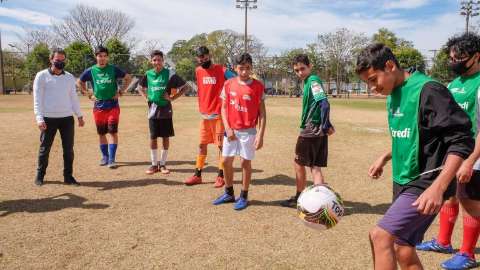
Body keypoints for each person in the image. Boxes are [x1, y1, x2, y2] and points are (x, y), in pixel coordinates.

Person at [356, 43, 474, 270]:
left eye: (373, 80)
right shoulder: (393, 93)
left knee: (380, 237)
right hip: (403, 179)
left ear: (389, 66)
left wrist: (439, 187)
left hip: (426, 181)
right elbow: (412, 135)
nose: (372, 88)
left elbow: (461, 139)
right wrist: (386, 156)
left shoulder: (429, 90)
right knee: (402, 247)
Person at [416, 32, 480, 270]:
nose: (454, 61)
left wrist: (471, 159)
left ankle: (467, 254)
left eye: (459, 57)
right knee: (449, 195)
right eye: (451, 57)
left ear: (476, 57)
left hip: (474, 154)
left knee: (470, 201)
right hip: (454, 152)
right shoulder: (454, 84)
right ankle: (443, 242)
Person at [212, 53, 266, 211]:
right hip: (231, 131)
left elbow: (262, 114)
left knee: (245, 163)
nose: (244, 72)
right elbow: (223, 108)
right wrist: (227, 128)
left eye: (247, 68)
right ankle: (228, 193)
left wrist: (260, 135)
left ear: (251, 68)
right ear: (235, 68)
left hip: (248, 132)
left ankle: (243, 195)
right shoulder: (228, 84)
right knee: (226, 161)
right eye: (241, 68)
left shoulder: (257, 86)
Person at [280, 54, 334, 208]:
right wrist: (326, 125)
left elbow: (324, 104)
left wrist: (325, 124)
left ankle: (299, 197)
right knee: (315, 166)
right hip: (318, 130)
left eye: (302, 68)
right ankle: (322, 203)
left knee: (298, 163)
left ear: (310, 66)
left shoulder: (312, 81)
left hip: (310, 130)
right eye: (296, 70)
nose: (300, 73)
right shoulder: (309, 81)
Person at [184, 46, 236, 187]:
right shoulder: (198, 71)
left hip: (219, 115)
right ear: (197, 58)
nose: (203, 60)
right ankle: (197, 175)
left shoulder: (222, 70)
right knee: (202, 145)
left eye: (205, 57)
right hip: (205, 116)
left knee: (221, 147)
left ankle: (221, 176)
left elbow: (236, 79)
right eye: (201, 58)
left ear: (209, 55)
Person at [33, 48, 84, 186]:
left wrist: (79, 115)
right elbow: (37, 99)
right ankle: (40, 175)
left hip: (67, 119)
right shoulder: (41, 76)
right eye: (57, 60)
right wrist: (39, 118)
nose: (60, 63)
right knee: (45, 148)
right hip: (48, 118)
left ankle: (68, 176)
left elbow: (73, 98)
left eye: (62, 60)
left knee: (68, 149)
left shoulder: (69, 77)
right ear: (51, 60)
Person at [77, 46, 132, 169]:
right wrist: (88, 95)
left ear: (107, 57)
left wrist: (121, 91)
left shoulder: (113, 69)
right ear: (96, 57)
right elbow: (79, 82)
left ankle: (112, 159)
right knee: (101, 133)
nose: (102, 58)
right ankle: (105, 157)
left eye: (104, 56)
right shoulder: (90, 70)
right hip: (98, 107)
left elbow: (128, 78)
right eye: (99, 56)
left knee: (112, 132)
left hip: (112, 105)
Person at [138, 50, 189, 174]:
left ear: (163, 61)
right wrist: (146, 98)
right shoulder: (148, 74)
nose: (157, 62)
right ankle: (154, 164)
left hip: (166, 110)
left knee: (165, 137)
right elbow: (140, 88)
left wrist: (172, 98)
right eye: (154, 60)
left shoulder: (170, 73)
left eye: (159, 60)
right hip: (153, 111)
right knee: (153, 137)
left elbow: (185, 87)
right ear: (151, 61)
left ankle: (163, 164)